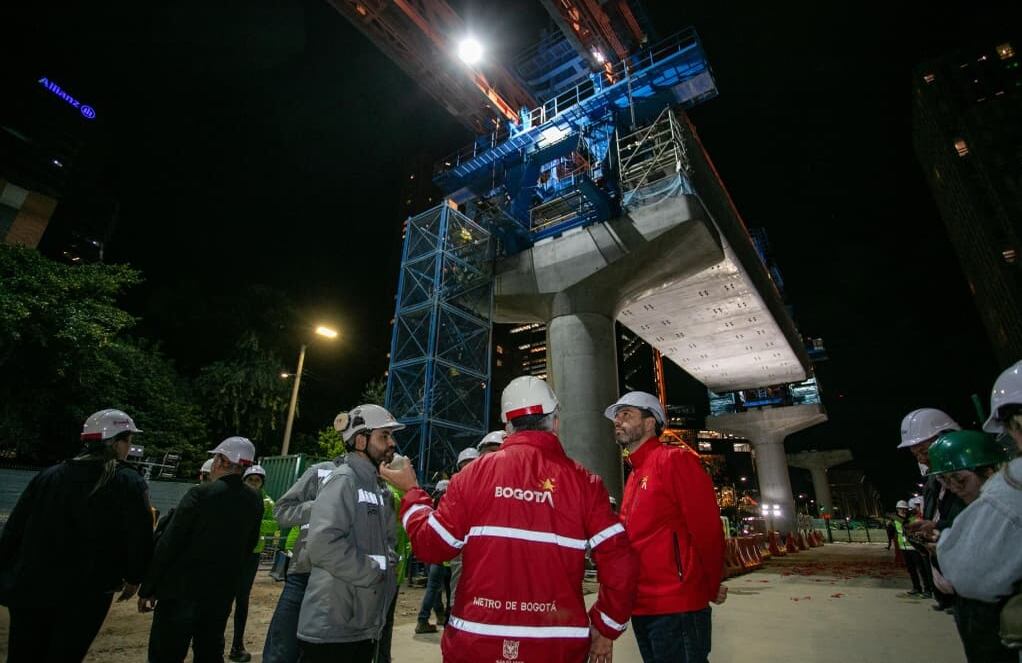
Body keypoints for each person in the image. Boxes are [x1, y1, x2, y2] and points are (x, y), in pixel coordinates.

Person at [380, 376, 639, 663]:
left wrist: (413, 494)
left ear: (507, 426)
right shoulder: (585, 484)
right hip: (556, 647)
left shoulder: (471, 477)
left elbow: (432, 546)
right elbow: (620, 564)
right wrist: (606, 626)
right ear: (555, 422)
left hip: (477, 644)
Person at [0, 409, 153, 662]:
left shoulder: (49, 476)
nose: (129, 447)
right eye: (128, 440)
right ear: (116, 442)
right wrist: (135, 576)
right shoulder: (127, 482)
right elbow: (139, 536)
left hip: (32, 586)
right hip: (85, 594)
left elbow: (15, 528)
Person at [605, 391, 726, 663]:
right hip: (643, 605)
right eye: (617, 416)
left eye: (627, 415)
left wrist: (712, 581)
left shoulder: (674, 460)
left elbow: (706, 529)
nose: (618, 421)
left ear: (650, 423)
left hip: (677, 605)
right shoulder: (636, 474)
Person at [138, 436, 263, 663]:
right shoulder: (254, 499)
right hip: (220, 595)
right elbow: (249, 545)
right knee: (209, 652)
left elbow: (170, 543)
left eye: (216, 457)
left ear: (222, 461)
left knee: (166, 653)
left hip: (180, 593)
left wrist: (148, 587)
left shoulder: (200, 494)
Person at [929, 362, 1022, 661]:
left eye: (958, 478)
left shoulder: (1011, 488)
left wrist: (944, 541)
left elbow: (969, 572)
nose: (954, 486)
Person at [296, 404, 402, 662]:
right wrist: (373, 572)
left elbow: (388, 542)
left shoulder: (379, 488)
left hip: (362, 621)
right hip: (334, 625)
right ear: (360, 440)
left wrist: (388, 564)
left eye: (391, 436)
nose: (392, 444)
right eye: (384, 436)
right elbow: (322, 544)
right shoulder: (344, 480)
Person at [263, 414, 350, 663]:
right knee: (282, 648)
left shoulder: (375, 484)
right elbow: (282, 512)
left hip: (343, 582)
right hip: (304, 574)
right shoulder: (320, 471)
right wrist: (320, 504)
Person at [899, 407, 965, 611]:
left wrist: (940, 530)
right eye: (914, 453)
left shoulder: (970, 478)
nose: (920, 459)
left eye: (923, 451)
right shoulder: (932, 483)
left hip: (976, 588)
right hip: (951, 589)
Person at [229, 464, 278, 662]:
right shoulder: (234, 498)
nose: (254, 484)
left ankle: (237, 644)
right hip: (232, 554)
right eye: (251, 480)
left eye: (257, 481)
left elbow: (273, 523)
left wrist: (254, 521)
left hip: (252, 555)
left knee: (242, 599)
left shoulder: (267, 502)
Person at [415, 480, 452, 634]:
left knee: (434, 587)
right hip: (443, 555)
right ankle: (424, 619)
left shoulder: (430, 505)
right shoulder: (449, 506)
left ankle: (440, 615)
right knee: (442, 588)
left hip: (430, 553)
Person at [892, 499, 933, 598]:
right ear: (897, 509)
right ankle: (916, 588)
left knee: (921, 569)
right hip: (903, 547)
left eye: (904, 509)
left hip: (914, 547)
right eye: (901, 509)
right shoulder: (895, 520)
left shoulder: (913, 519)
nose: (903, 511)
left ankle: (927, 589)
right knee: (911, 569)